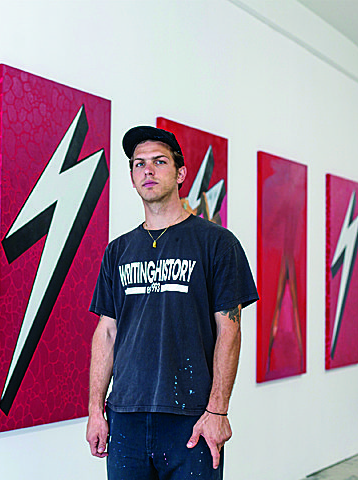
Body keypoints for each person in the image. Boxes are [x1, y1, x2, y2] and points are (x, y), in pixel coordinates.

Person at [86, 126, 258, 479]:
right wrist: (94, 411)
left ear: (180, 174)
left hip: (191, 418)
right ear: (132, 177)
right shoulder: (118, 251)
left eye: (159, 161)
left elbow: (229, 331)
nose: (147, 170)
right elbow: (106, 332)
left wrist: (218, 411)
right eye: (139, 164)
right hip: (126, 417)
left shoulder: (217, 243)